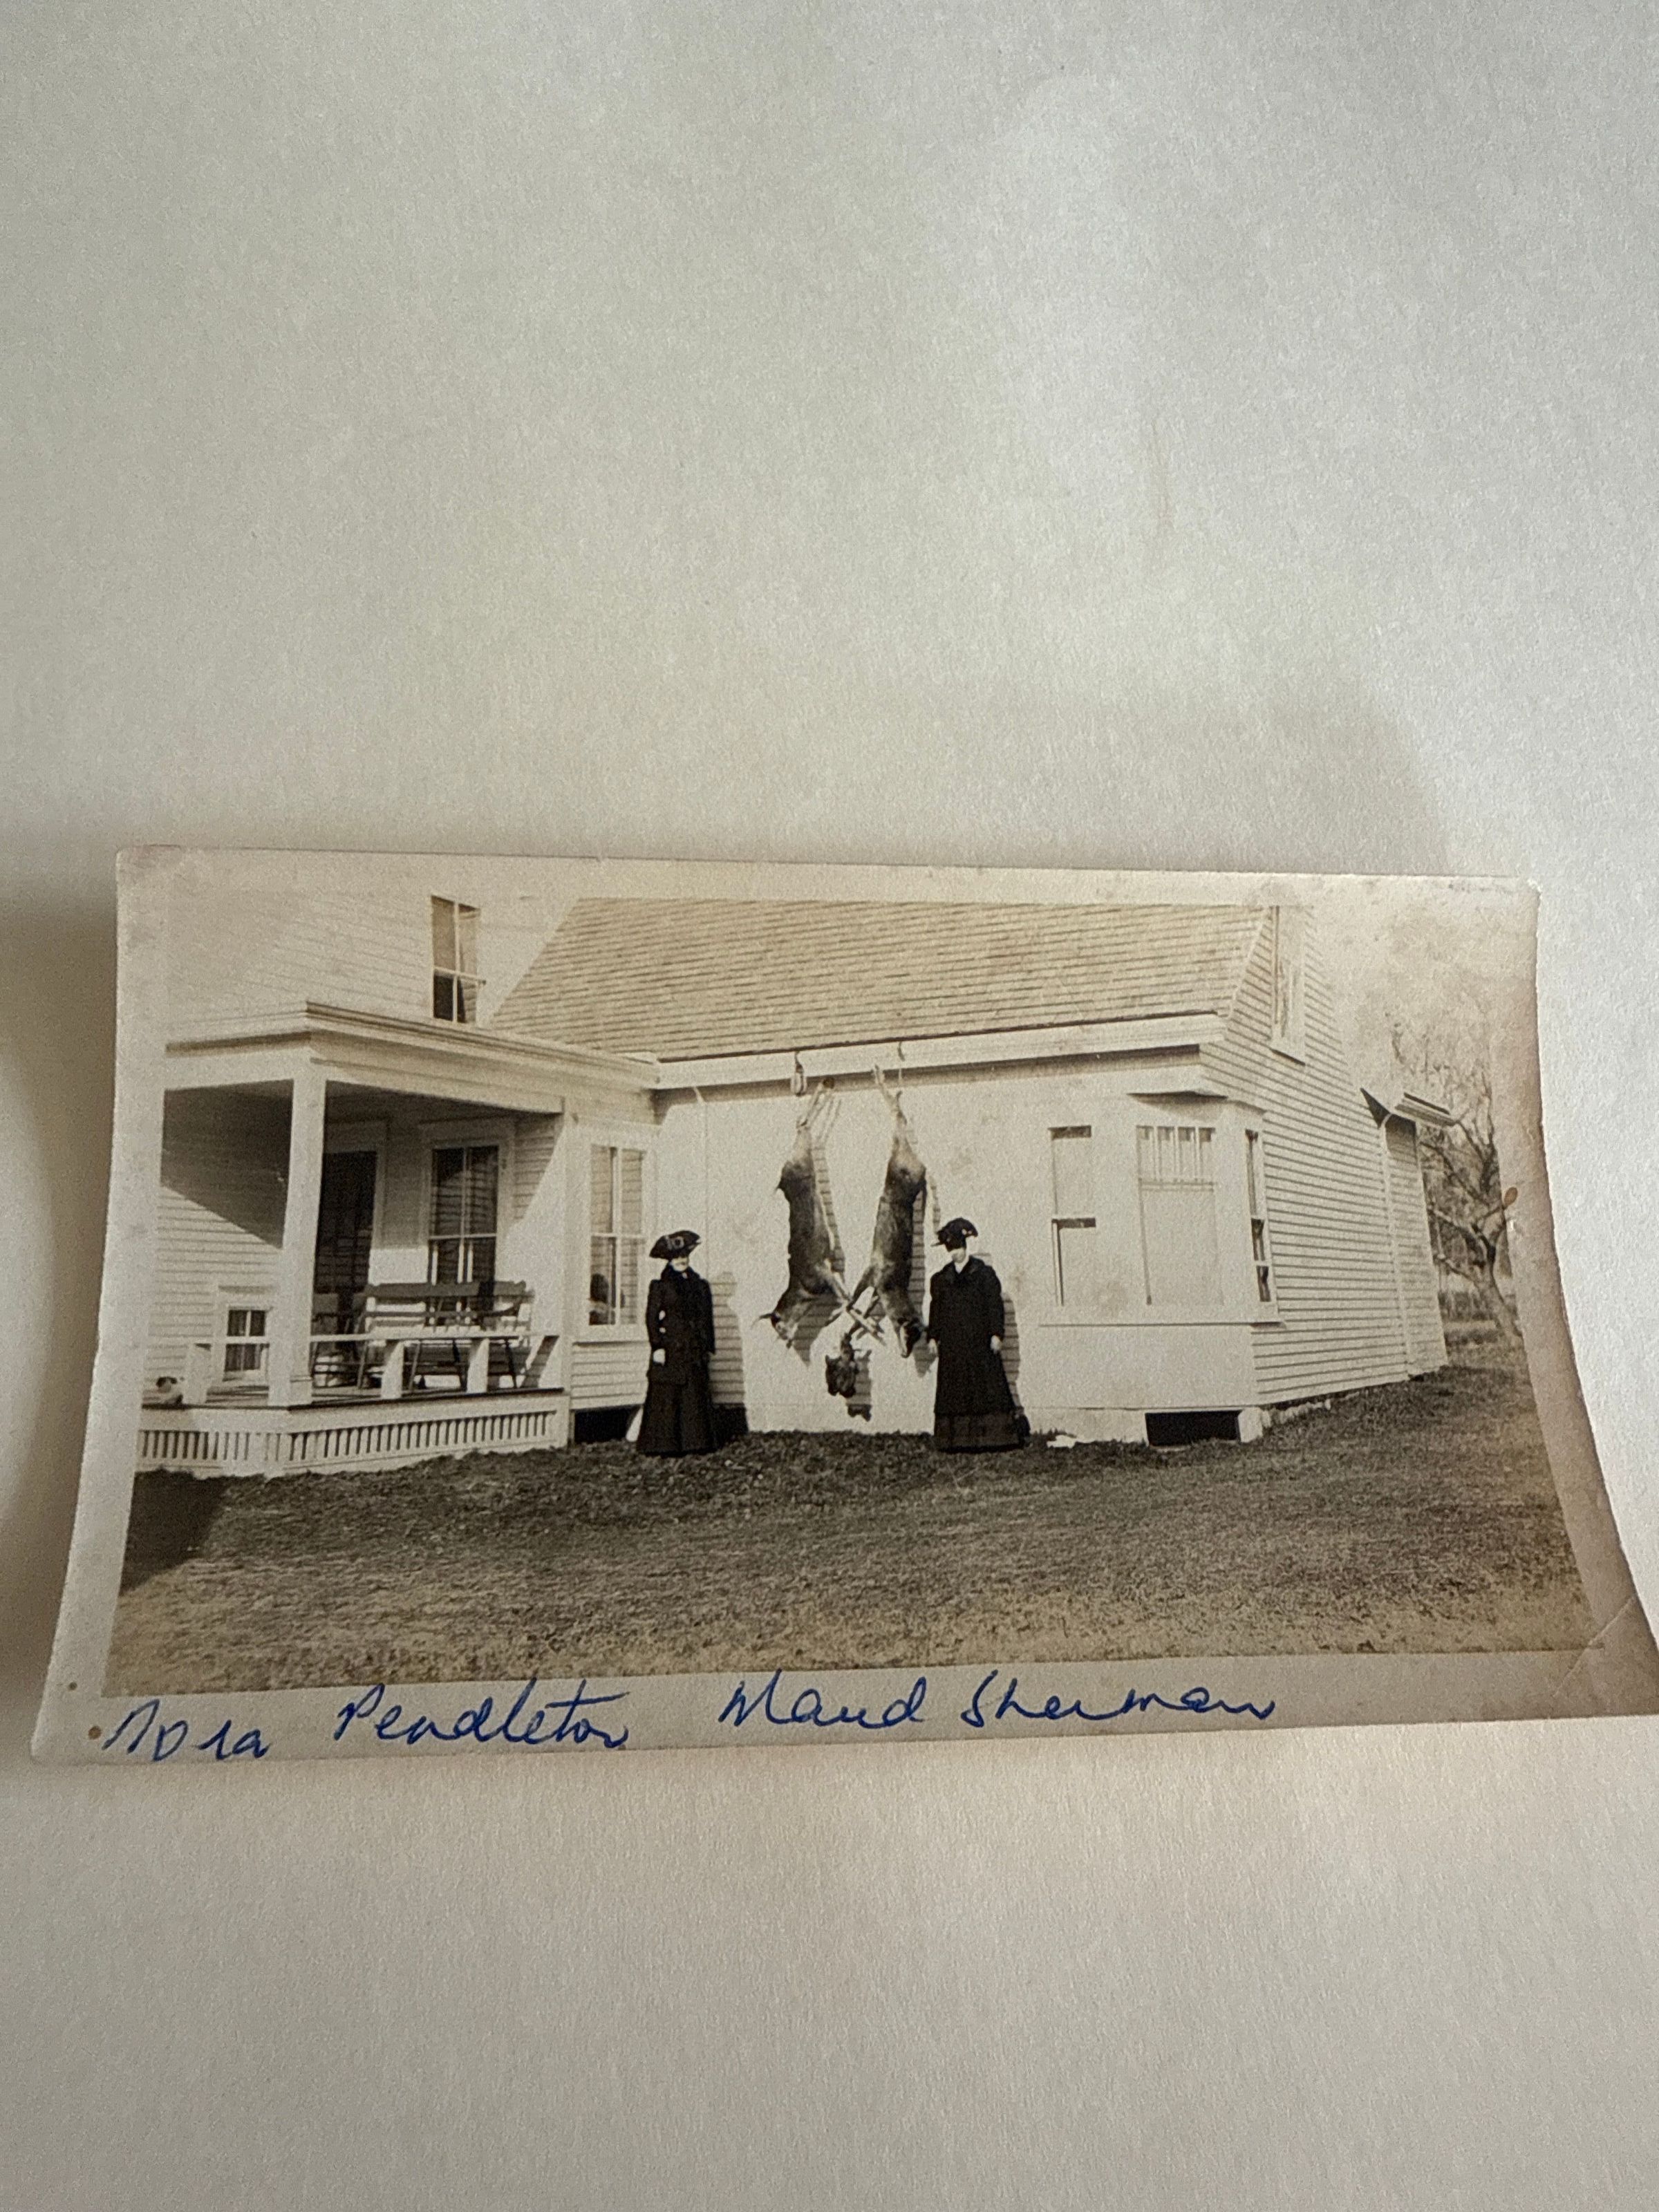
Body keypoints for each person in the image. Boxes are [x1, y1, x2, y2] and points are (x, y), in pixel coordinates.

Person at [926, 1218, 1024, 1452]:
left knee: (985, 1388)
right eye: (950, 1249)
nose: (955, 1253)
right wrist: (933, 1337)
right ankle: (956, 1441)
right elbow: (936, 1311)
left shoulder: (984, 1275)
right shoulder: (941, 1280)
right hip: (953, 1346)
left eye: (958, 1248)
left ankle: (993, 1439)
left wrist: (997, 1334)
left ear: (965, 1246)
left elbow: (994, 1307)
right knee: (955, 1391)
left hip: (979, 1344)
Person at [636, 1230, 719, 1456]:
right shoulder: (661, 1286)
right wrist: (657, 1346)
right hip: (671, 1347)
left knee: (694, 1394)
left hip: (693, 1348)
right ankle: (664, 1445)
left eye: (684, 1256)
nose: (681, 1260)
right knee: (668, 1394)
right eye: (676, 1257)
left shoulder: (699, 1285)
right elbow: (651, 1318)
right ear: (669, 1260)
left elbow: (706, 1316)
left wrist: (707, 1345)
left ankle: (696, 1443)